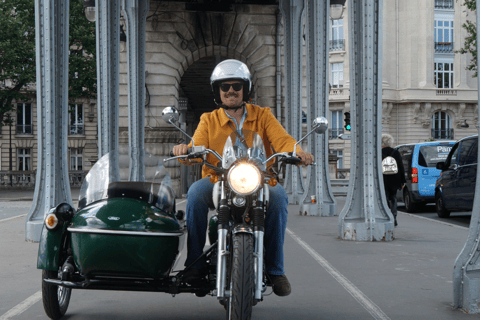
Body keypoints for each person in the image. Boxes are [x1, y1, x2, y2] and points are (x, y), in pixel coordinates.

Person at [172, 59, 313, 297]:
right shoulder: (209, 119)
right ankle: (194, 264)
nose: (230, 91)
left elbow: (283, 140)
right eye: (224, 86)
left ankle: (276, 269)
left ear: (245, 89)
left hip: (260, 179)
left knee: (279, 198)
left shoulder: (263, 116)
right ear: (217, 91)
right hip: (219, 179)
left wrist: (297, 151)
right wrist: (185, 150)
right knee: (195, 194)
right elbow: (197, 144)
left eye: (236, 86)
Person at [381, 133, 405, 227]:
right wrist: (402, 181)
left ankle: (387, 216)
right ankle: (394, 216)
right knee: (393, 198)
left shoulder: (379, 152)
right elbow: (400, 167)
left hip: (383, 178)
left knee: (385, 197)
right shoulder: (395, 152)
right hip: (394, 178)